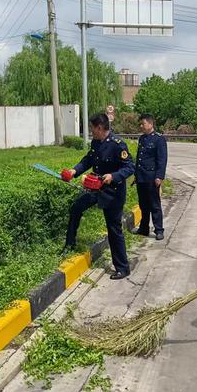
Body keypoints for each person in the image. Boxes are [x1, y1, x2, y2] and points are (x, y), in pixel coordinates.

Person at [61, 113, 135, 280]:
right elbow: (88, 160)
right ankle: (69, 244)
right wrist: (74, 171)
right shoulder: (96, 142)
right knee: (76, 208)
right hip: (95, 188)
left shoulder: (118, 145)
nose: (91, 132)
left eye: (92, 128)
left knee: (114, 230)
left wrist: (113, 176)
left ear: (100, 128)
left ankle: (123, 268)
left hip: (112, 194)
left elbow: (130, 167)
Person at [134, 113, 168, 240]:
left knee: (154, 205)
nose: (141, 126)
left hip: (152, 177)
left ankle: (159, 230)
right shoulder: (142, 138)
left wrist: (159, 176)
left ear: (150, 124)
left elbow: (162, 159)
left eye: (143, 123)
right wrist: (136, 175)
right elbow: (139, 159)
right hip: (142, 177)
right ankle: (144, 228)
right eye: (141, 124)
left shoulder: (159, 139)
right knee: (143, 205)